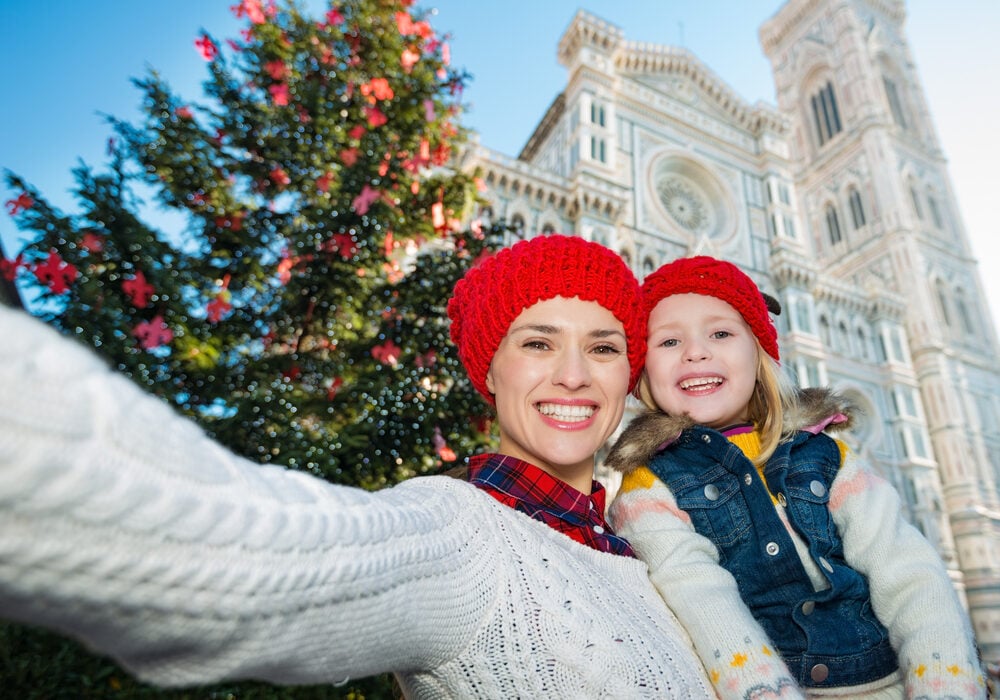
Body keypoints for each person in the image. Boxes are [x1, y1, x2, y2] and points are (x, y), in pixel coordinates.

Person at [0, 235, 718, 698]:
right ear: (489, 370)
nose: (573, 375)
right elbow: (232, 554)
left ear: (629, 374)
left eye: (601, 347)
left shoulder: (651, 558)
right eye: (537, 343)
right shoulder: (461, 534)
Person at [606, 255, 987, 699]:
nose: (696, 351)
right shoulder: (648, 488)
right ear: (643, 370)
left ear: (760, 354)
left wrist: (945, 684)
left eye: (722, 333)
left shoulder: (826, 456)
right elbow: (697, 596)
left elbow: (908, 570)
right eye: (668, 341)